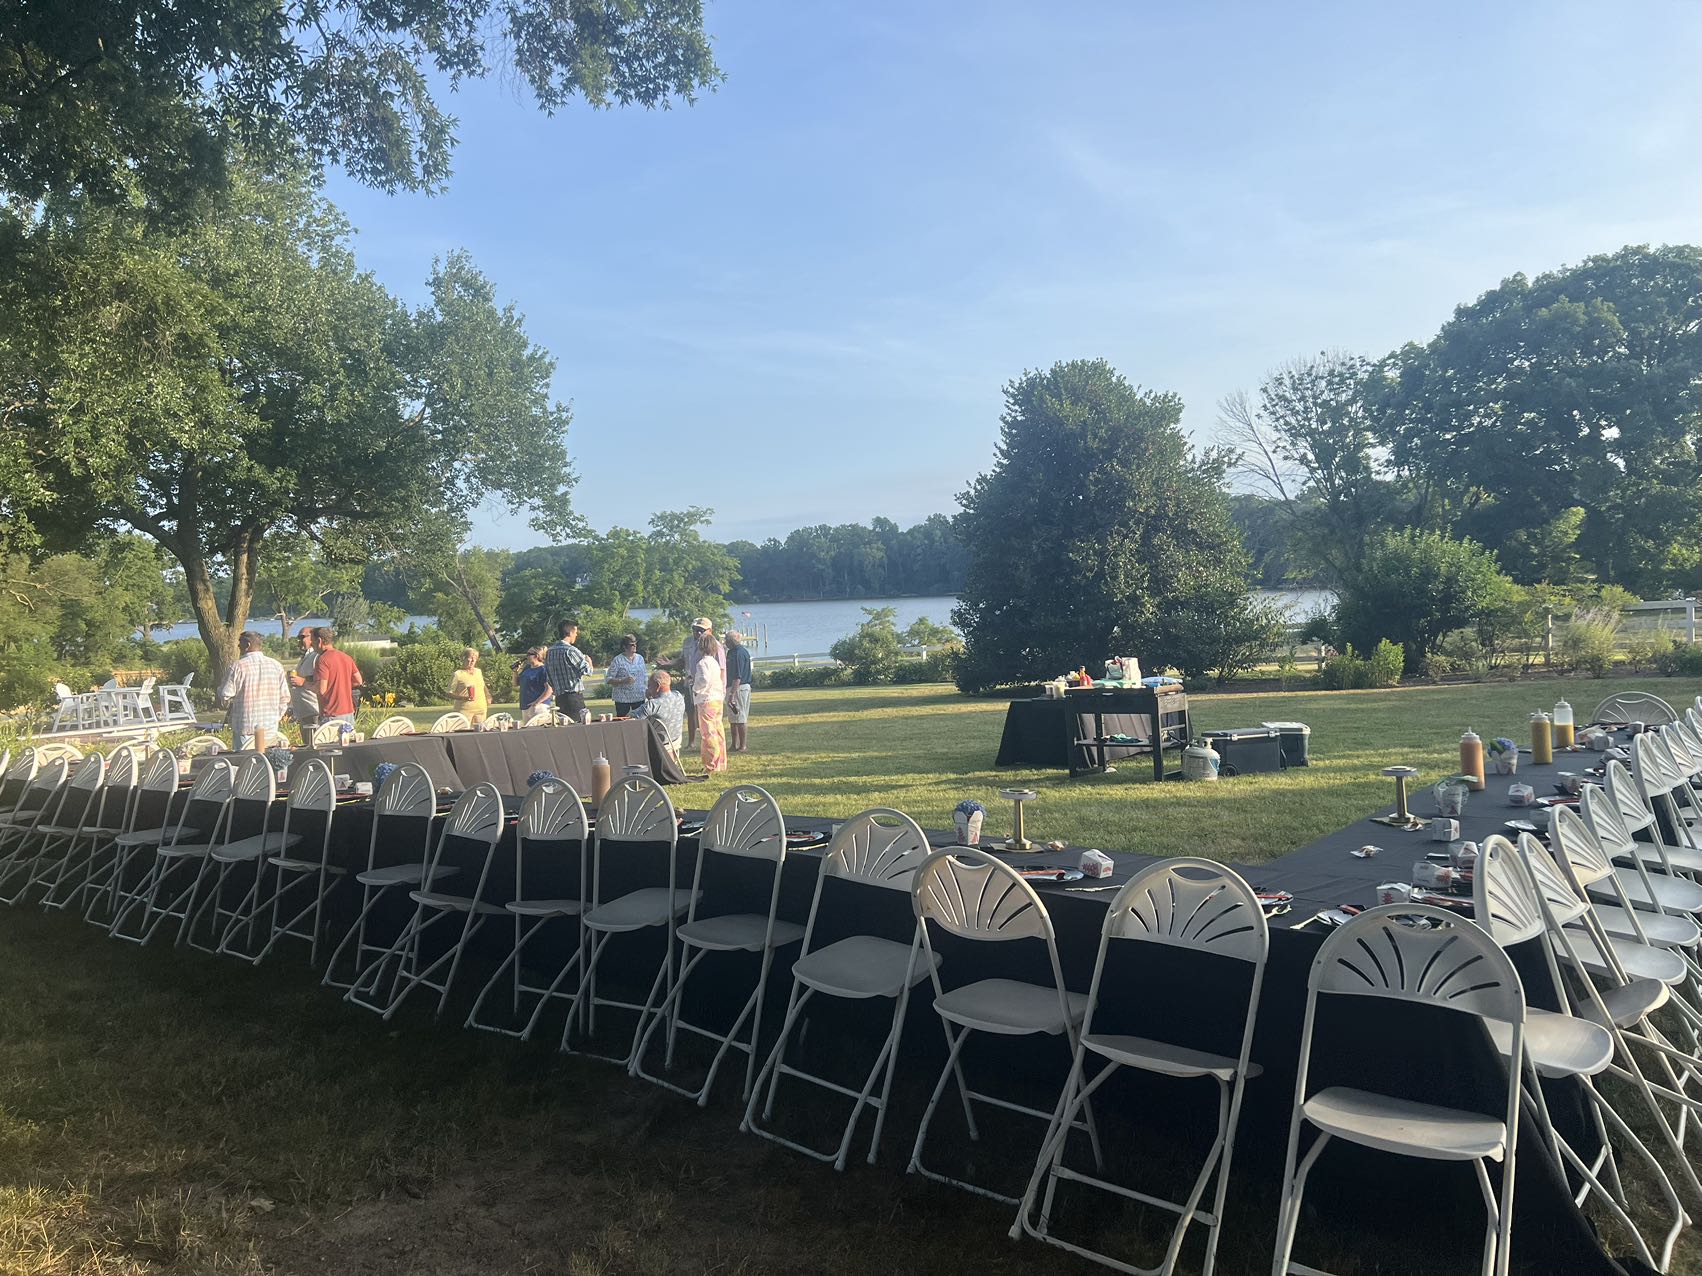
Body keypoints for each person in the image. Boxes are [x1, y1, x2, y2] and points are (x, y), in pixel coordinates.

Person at [219, 631, 291, 752]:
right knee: (268, 761)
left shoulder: (238, 666)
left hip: (245, 728)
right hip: (270, 729)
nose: (238, 646)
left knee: (245, 761)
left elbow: (225, 694)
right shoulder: (276, 665)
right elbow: (285, 697)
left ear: (247, 645)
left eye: (240, 643)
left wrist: (220, 690)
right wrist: (276, 717)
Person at [312, 627, 363, 733]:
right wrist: (342, 684)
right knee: (347, 742)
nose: (312, 644)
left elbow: (321, 689)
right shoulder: (346, 657)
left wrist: (304, 683)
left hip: (331, 714)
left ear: (319, 641)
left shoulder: (322, 660)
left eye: (312, 641)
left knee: (330, 744)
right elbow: (358, 681)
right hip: (348, 713)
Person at [544, 618, 593, 723]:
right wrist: (589, 662)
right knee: (579, 726)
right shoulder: (571, 651)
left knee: (565, 727)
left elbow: (548, 678)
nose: (576, 635)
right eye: (575, 632)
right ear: (569, 632)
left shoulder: (549, 652)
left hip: (559, 698)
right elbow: (587, 671)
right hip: (573, 697)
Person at [693, 630, 727, 773]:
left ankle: (711, 764)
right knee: (718, 731)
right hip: (717, 699)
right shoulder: (714, 662)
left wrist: (695, 688)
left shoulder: (702, 663)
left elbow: (704, 680)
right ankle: (721, 763)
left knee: (708, 734)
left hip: (706, 700)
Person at [632, 669, 686, 757]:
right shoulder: (678, 696)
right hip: (675, 741)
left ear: (657, 686)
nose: (647, 689)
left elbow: (630, 718)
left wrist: (648, 699)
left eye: (649, 686)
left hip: (658, 744)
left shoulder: (652, 705)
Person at [287, 625, 319, 745]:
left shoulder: (316, 655)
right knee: (307, 745)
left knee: (315, 745)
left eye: (302, 637)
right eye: (298, 638)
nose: (299, 641)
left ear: (312, 638)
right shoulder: (306, 656)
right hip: (304, 711)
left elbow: (320, 679)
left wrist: (302, 681)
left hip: (313, 708)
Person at [724, 629, 753, 753]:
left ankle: (742, 745)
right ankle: (734, 744)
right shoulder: (731, 652)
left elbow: (738, 676)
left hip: (739, 688)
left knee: (740, 717)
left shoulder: (738, 654)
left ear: (731, 641)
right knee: (733, 718)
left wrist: (732, 694)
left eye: (726, 640)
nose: (725, 642)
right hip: (733, 686)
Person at [606, 634, 647, 718]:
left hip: (639, 697)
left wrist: (648, 690)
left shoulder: (640, 658)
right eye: (632, 645)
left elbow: (644, 677)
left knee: (640, 720)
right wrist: (623, 681)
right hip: (623, 699)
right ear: (624, 647)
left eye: (635, 644)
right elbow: (608, 679)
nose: (635, 646)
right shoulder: (618, 660)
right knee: (622, 721)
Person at [448, 647, 489, 727]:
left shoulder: (478, 672)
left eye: (474, 659)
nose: (472, 662)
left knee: (480, 731)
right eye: (469, 659)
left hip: (481, 709)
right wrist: (463, 698)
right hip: (464, 710)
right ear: (463, 659)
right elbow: (449, 693)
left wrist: (488, 695)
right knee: (462, 732)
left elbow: (483, 685)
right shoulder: (457, 674)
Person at [516, 647, 552, 721]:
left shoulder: (543, 670)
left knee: (539, 728)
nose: (527, 656)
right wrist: (515, 672)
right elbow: (515, 683)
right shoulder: (527, 668)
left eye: (529, 654)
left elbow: (549, 689)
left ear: (537, 656)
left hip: (539, 706)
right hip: (525, 705)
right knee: (527, 728)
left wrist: (536, 703)